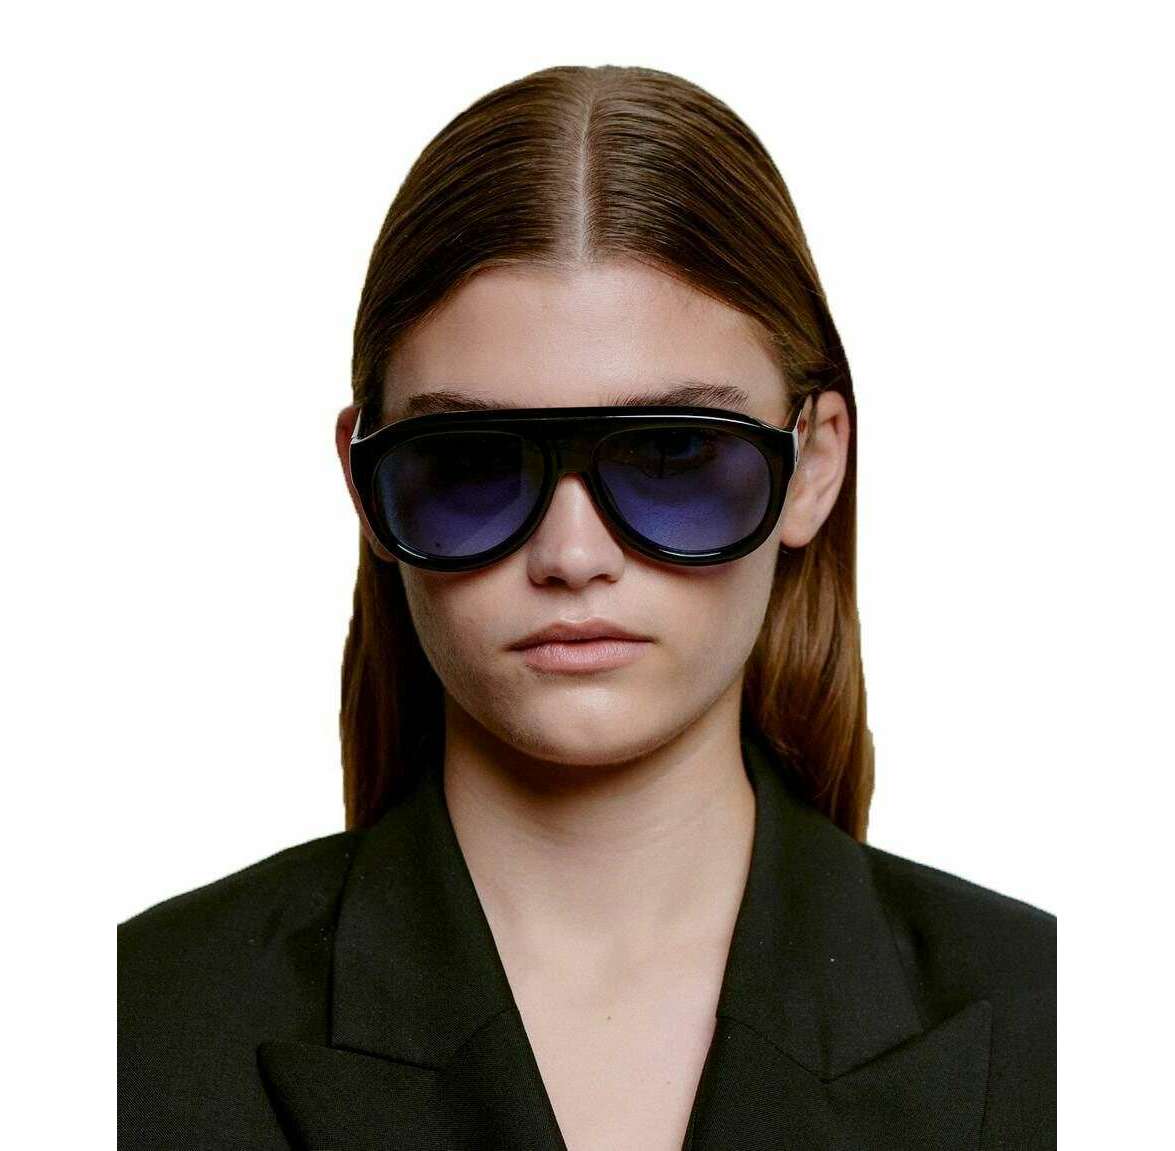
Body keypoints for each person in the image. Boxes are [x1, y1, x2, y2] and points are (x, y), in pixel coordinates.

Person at [118, 64, 1056, 1150]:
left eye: (672, 452)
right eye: (471, 461)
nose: (572, 555)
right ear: (367, 487)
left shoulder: (1070, 1030)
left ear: (812, 464)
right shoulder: (126, 1033)